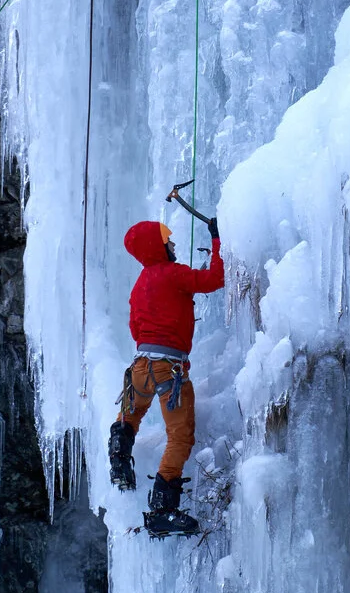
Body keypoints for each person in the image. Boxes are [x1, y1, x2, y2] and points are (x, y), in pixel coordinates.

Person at [109, 217, 224, 536]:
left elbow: (135, 329)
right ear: (158, 246)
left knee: (131, 417)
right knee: (180, 435)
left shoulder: (139, 285)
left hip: (139, 369)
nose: (173, 244)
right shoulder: (174, 274)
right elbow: (215, 278)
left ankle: (119, 453)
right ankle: (162, 507)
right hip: (168, 369)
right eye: (168, 240)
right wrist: (218, 241)